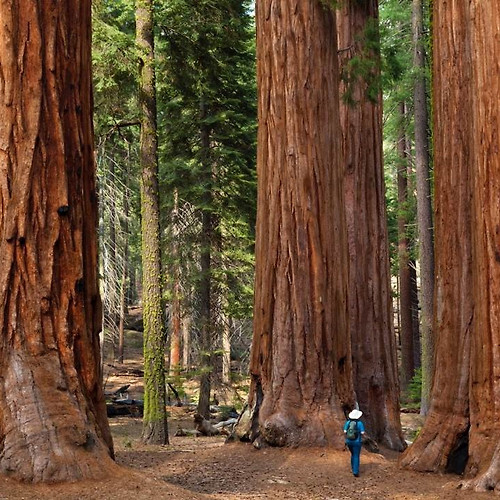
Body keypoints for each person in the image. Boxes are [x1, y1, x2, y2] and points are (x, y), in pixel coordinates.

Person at [343, 409, 366, 477]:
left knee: (352, 454)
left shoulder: (348, 422)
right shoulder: (359, 423)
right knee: (356, 455)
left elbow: (344, 431)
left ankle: (353, 467)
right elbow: (362, 432)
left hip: (349, 441)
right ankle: (355, 471)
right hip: (357, 441)